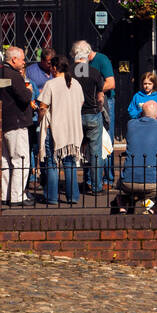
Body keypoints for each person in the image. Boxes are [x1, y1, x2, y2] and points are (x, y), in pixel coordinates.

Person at [38, 55, 85, 205]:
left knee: (52, 163)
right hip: (73, 129)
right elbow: (81, 102)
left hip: (55, 129)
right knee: (70, 163)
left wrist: (39, 117)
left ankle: (51, 197)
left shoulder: (51, 84)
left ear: (55, 68)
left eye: (51, 67)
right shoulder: (76, 83)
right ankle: (73, 197)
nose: (49, 69)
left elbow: (43, 107)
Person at [71, 41, 115, 182]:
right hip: (93, 109)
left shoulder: (101, 60)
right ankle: (93, 182)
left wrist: (91, 92)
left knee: (103, 141)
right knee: (95, 148)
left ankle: (107, 177)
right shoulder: (92, 72)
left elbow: (111, 83)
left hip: (95, 107)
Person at [0, 46, 34, 204]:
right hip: (16, 122)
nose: (24, 62)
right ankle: (17, 196)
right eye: (22, 59)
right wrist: (29, 90)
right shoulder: (14, 75)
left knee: (6, 160)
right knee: (21, 160)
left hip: (4, 122)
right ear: (13, 59)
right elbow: (24, 97)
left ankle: (5, 195)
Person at [72, 48, 106, 194]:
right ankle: (97, 187)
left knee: (72, 152)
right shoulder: (94, 72)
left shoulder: (70, 73)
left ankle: (72, 188)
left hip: (74, 116)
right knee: (95, 152)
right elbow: (100, 96)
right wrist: (99, 108)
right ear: (87, 59)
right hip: (92, 114)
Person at [120, 99, 157, 197]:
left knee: (121, 182)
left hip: (127, 182)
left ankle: (125, 202)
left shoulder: (130, 124)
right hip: (152, 183)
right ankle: (151, 205)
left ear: (142, 113)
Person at [26, 45, 55, 183]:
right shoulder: (31, 71)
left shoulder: (55, 70)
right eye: (49, 62)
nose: (51, 65)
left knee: (46, 146)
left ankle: (44, 175)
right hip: (37, 113)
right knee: (35, 146)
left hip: (53, 114)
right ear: (42, 61)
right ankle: (32, 176)